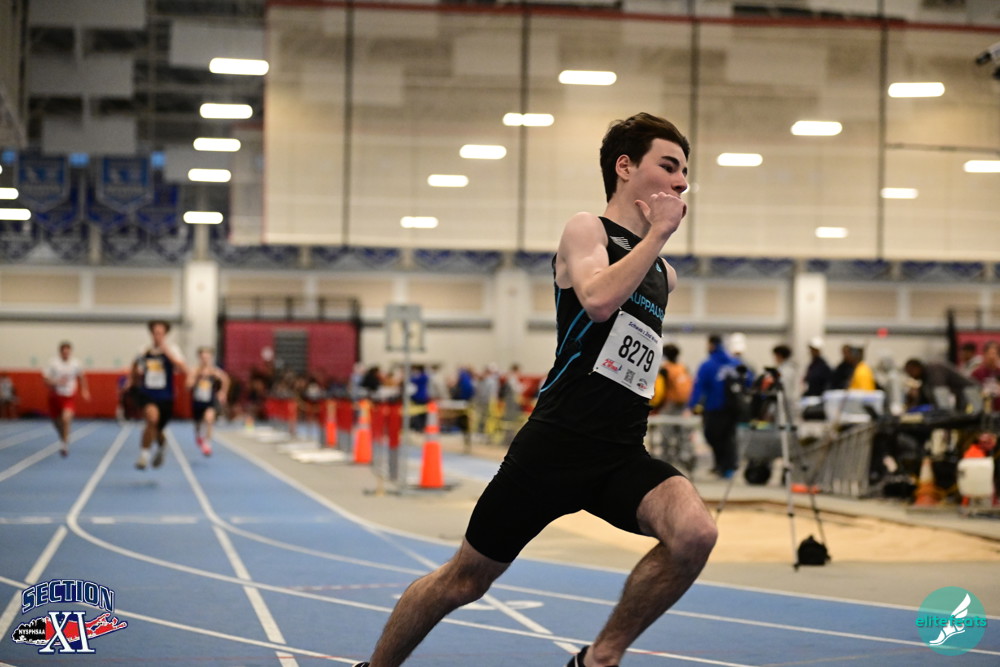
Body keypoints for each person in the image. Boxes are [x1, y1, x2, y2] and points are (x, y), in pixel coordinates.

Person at [353, 113, 717, 667]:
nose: (681, 182)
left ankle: (598, 659)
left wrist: (656, 246)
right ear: (625, 167)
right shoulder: (587, 230)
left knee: (695, 533)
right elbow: (598, 302)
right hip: (554, 447)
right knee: (464, 581)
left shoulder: (663, 274)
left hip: (620, 452)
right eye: (669, 166)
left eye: (685, 172)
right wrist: (658, 234)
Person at [129, 320, 187, 470]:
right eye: (155, 333)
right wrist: (133, 378)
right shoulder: (144, 350)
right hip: (147, 393)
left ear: (165, 334)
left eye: (161, 333)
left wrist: (167, 353)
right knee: (151, 419)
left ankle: (161, 447)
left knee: (158, 429)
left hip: (165, 396)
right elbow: (135, 367)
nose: (158, 336)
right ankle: (144, 455)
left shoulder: (173, 350)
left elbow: (183, 368)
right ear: (151, 334)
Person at [687, 334, 745, 478]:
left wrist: (692, 405)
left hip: (715, 407)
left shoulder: (708, 365)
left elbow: (699, 386)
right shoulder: (735, 363)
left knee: (712, 435)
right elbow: (748, 380)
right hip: (733, 408)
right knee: (728, 437)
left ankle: (725, 465)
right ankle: (725, 466)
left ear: (712, 345)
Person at [42, 341, 90, 456]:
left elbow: (82, 377)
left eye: (67, 352)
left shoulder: (75, 363)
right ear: (60, 352)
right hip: (55, 396)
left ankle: (64, 444)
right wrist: (56, 382)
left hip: (69, 396)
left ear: (70, 352)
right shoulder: (53, 363)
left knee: (66, 419)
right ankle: (63, 436)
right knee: (56, 423)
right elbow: (45, 380)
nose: (66, 354)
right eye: (64, 352)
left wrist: (85, 390)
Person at [187, 346, 230, 456]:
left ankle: (207, 444)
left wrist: (223, 392)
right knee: (197, 424)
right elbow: (187, 385)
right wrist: (197, 378)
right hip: (197, 401)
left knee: (209, 419)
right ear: (199, 358)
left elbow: (225, 379)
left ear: (211, 358)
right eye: (203, 357)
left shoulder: (214, 371)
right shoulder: (195, 371)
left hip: (210, 400)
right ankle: (198, 435)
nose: (205, 360)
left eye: (207, 357)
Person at [902, 357, 976, 412]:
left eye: (910, 372)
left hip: (971, 392)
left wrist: (943, 413)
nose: (910, 376)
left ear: (916, 367)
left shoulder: (934, 369)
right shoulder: (924, 377)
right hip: (960, 395)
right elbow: (923, 398)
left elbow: (941, 393)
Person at [970, 341, 1000, 413]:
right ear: (984, 355)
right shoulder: (977, 373)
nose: (992, 357)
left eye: (994, 353)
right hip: (982, 411)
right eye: (989, 353)